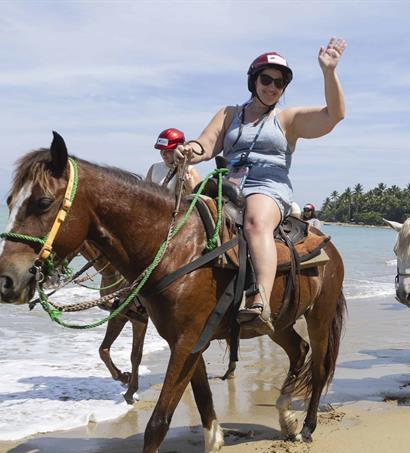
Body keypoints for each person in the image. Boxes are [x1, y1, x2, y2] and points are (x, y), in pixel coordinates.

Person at [175, 39, 347, 334]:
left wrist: (329, 72)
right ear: (253, 80)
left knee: (255, 222)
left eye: (279, 83)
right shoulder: (228, 114)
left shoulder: (287, 119)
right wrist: (189, 149)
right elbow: (206, 144)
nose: (272, 87)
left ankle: (260, 301)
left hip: (267, 187)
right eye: (266, 79)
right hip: (226, 185)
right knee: (181, 214)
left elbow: (334, 116)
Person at [146, 128, 201, 192]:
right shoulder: (154, 168)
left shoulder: (190, 171)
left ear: (179, 149)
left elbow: (199, 199)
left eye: (169, 151)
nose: (164, 154)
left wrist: (190, 188)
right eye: (161, 150)